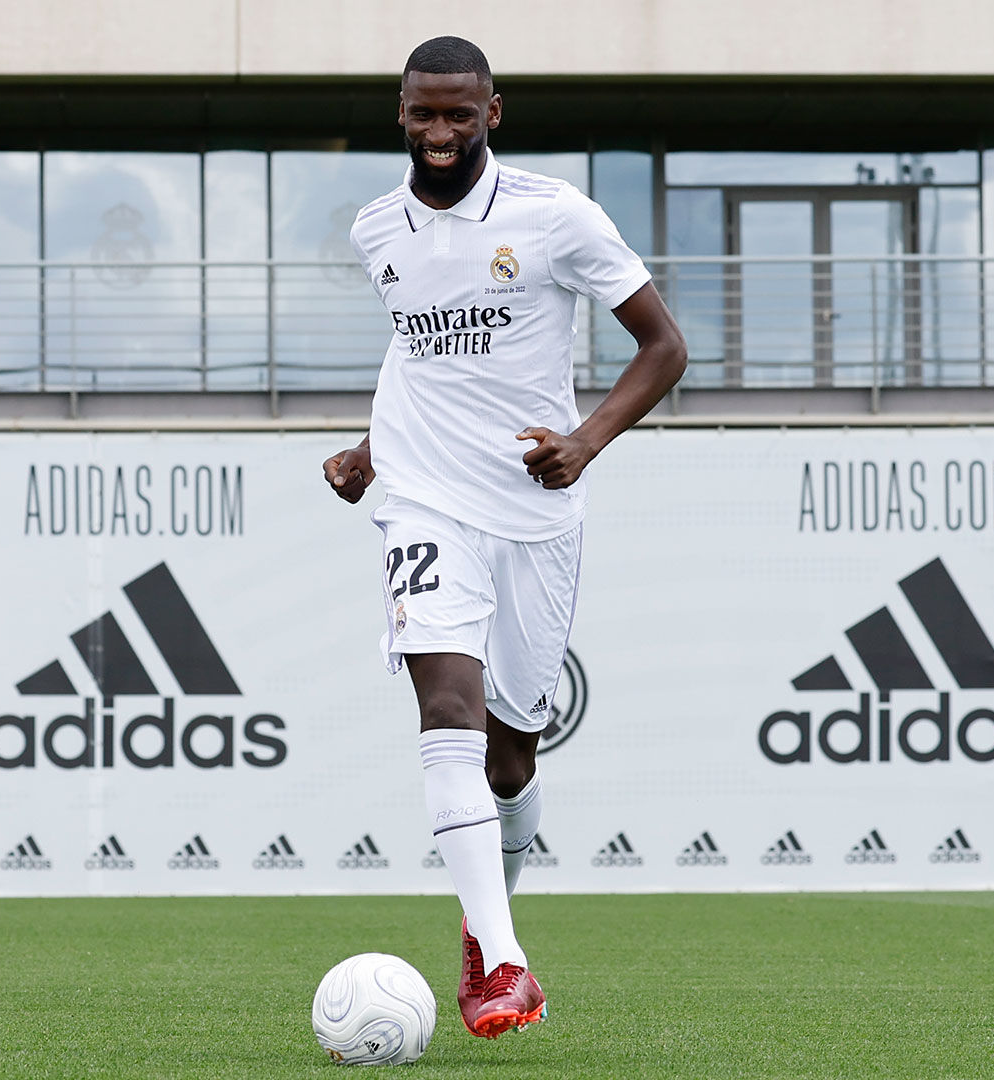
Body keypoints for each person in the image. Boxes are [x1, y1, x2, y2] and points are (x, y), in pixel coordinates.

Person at [321, 35, 686, 1040]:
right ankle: (504, 964)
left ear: (493, 113)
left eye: (460, 115)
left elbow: (666, 346)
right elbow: (420, 352)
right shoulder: (375, 229)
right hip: (424, 501)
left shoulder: (555, 216)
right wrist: (370, 451)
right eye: (424, 115)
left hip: (533, 512)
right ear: (400, 114)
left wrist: (586, 440)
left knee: (511, 758)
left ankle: (493, 927)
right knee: (447, 701)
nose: (441, 133)